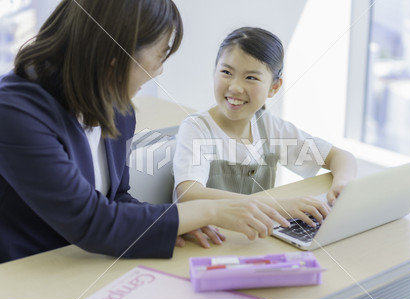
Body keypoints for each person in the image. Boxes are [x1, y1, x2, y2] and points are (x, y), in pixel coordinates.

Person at [0, 1, 296, 263]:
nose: (159, 70)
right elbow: (92, 221)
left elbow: (117, 198)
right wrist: (207, 212)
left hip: (81, 265)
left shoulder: (116, 107)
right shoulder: (14, 112)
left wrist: (173, 223)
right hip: (26, 277)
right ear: (117, 50)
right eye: (160, 54)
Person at [173, 27, 357, 248]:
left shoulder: (269, 127)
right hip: (211, 243)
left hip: (254, 240)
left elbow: (340, 157)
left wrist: (342, 185)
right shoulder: (197, 128)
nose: (235, 87)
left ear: (274, 87)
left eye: (251, 77)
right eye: (226, 72)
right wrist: (276, 206)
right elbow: (189, 195)